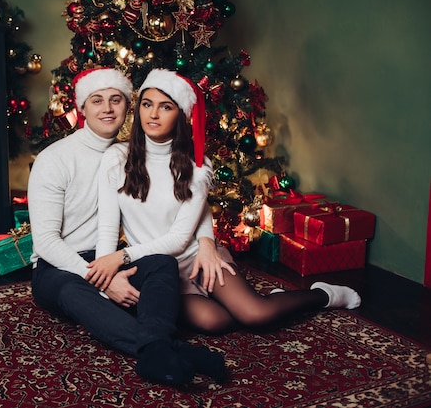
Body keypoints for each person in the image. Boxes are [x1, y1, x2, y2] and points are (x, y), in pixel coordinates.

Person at [91, 68, 361, 336]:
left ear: (181, 115)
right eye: (147, 104)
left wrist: (123, 256)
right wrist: (107, 274)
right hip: (158, 270)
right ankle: (267, 298)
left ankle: (321, 296)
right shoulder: (116, 158)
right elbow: (106, 225)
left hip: (195, 257)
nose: (153, 114)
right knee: (215, 322)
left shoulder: (198, 166)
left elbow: (179, 238)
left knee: (256, 314)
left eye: (166, 107)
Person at [27, 67, 227, 387]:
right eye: (97, 100)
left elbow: (187, 196)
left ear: (126, 107)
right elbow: (46, 242)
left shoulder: (128, 154)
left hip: (108, 256)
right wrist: (103, 281)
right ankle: (168, 350)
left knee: (162, 263)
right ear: (83, 108)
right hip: (60, 267)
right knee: (72, 290)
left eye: (115, 100)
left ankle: (158, 350)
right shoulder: (55, 159)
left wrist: (205, 240)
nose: (107, 108)